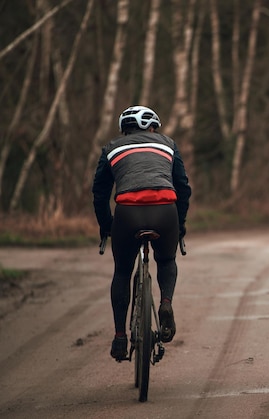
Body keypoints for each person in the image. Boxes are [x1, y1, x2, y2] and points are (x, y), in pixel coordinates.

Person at [92, 105, 192, 361]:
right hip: (165, 211)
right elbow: (183, 187)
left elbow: (100, 193)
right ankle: (166, 303)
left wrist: (106, 225)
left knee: (123, 271)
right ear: (152, 127)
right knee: (167, 260)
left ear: (125, 130)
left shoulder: (112, 148)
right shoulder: (168, 144)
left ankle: (119, 338)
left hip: (127, 213)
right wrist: (179, 225)